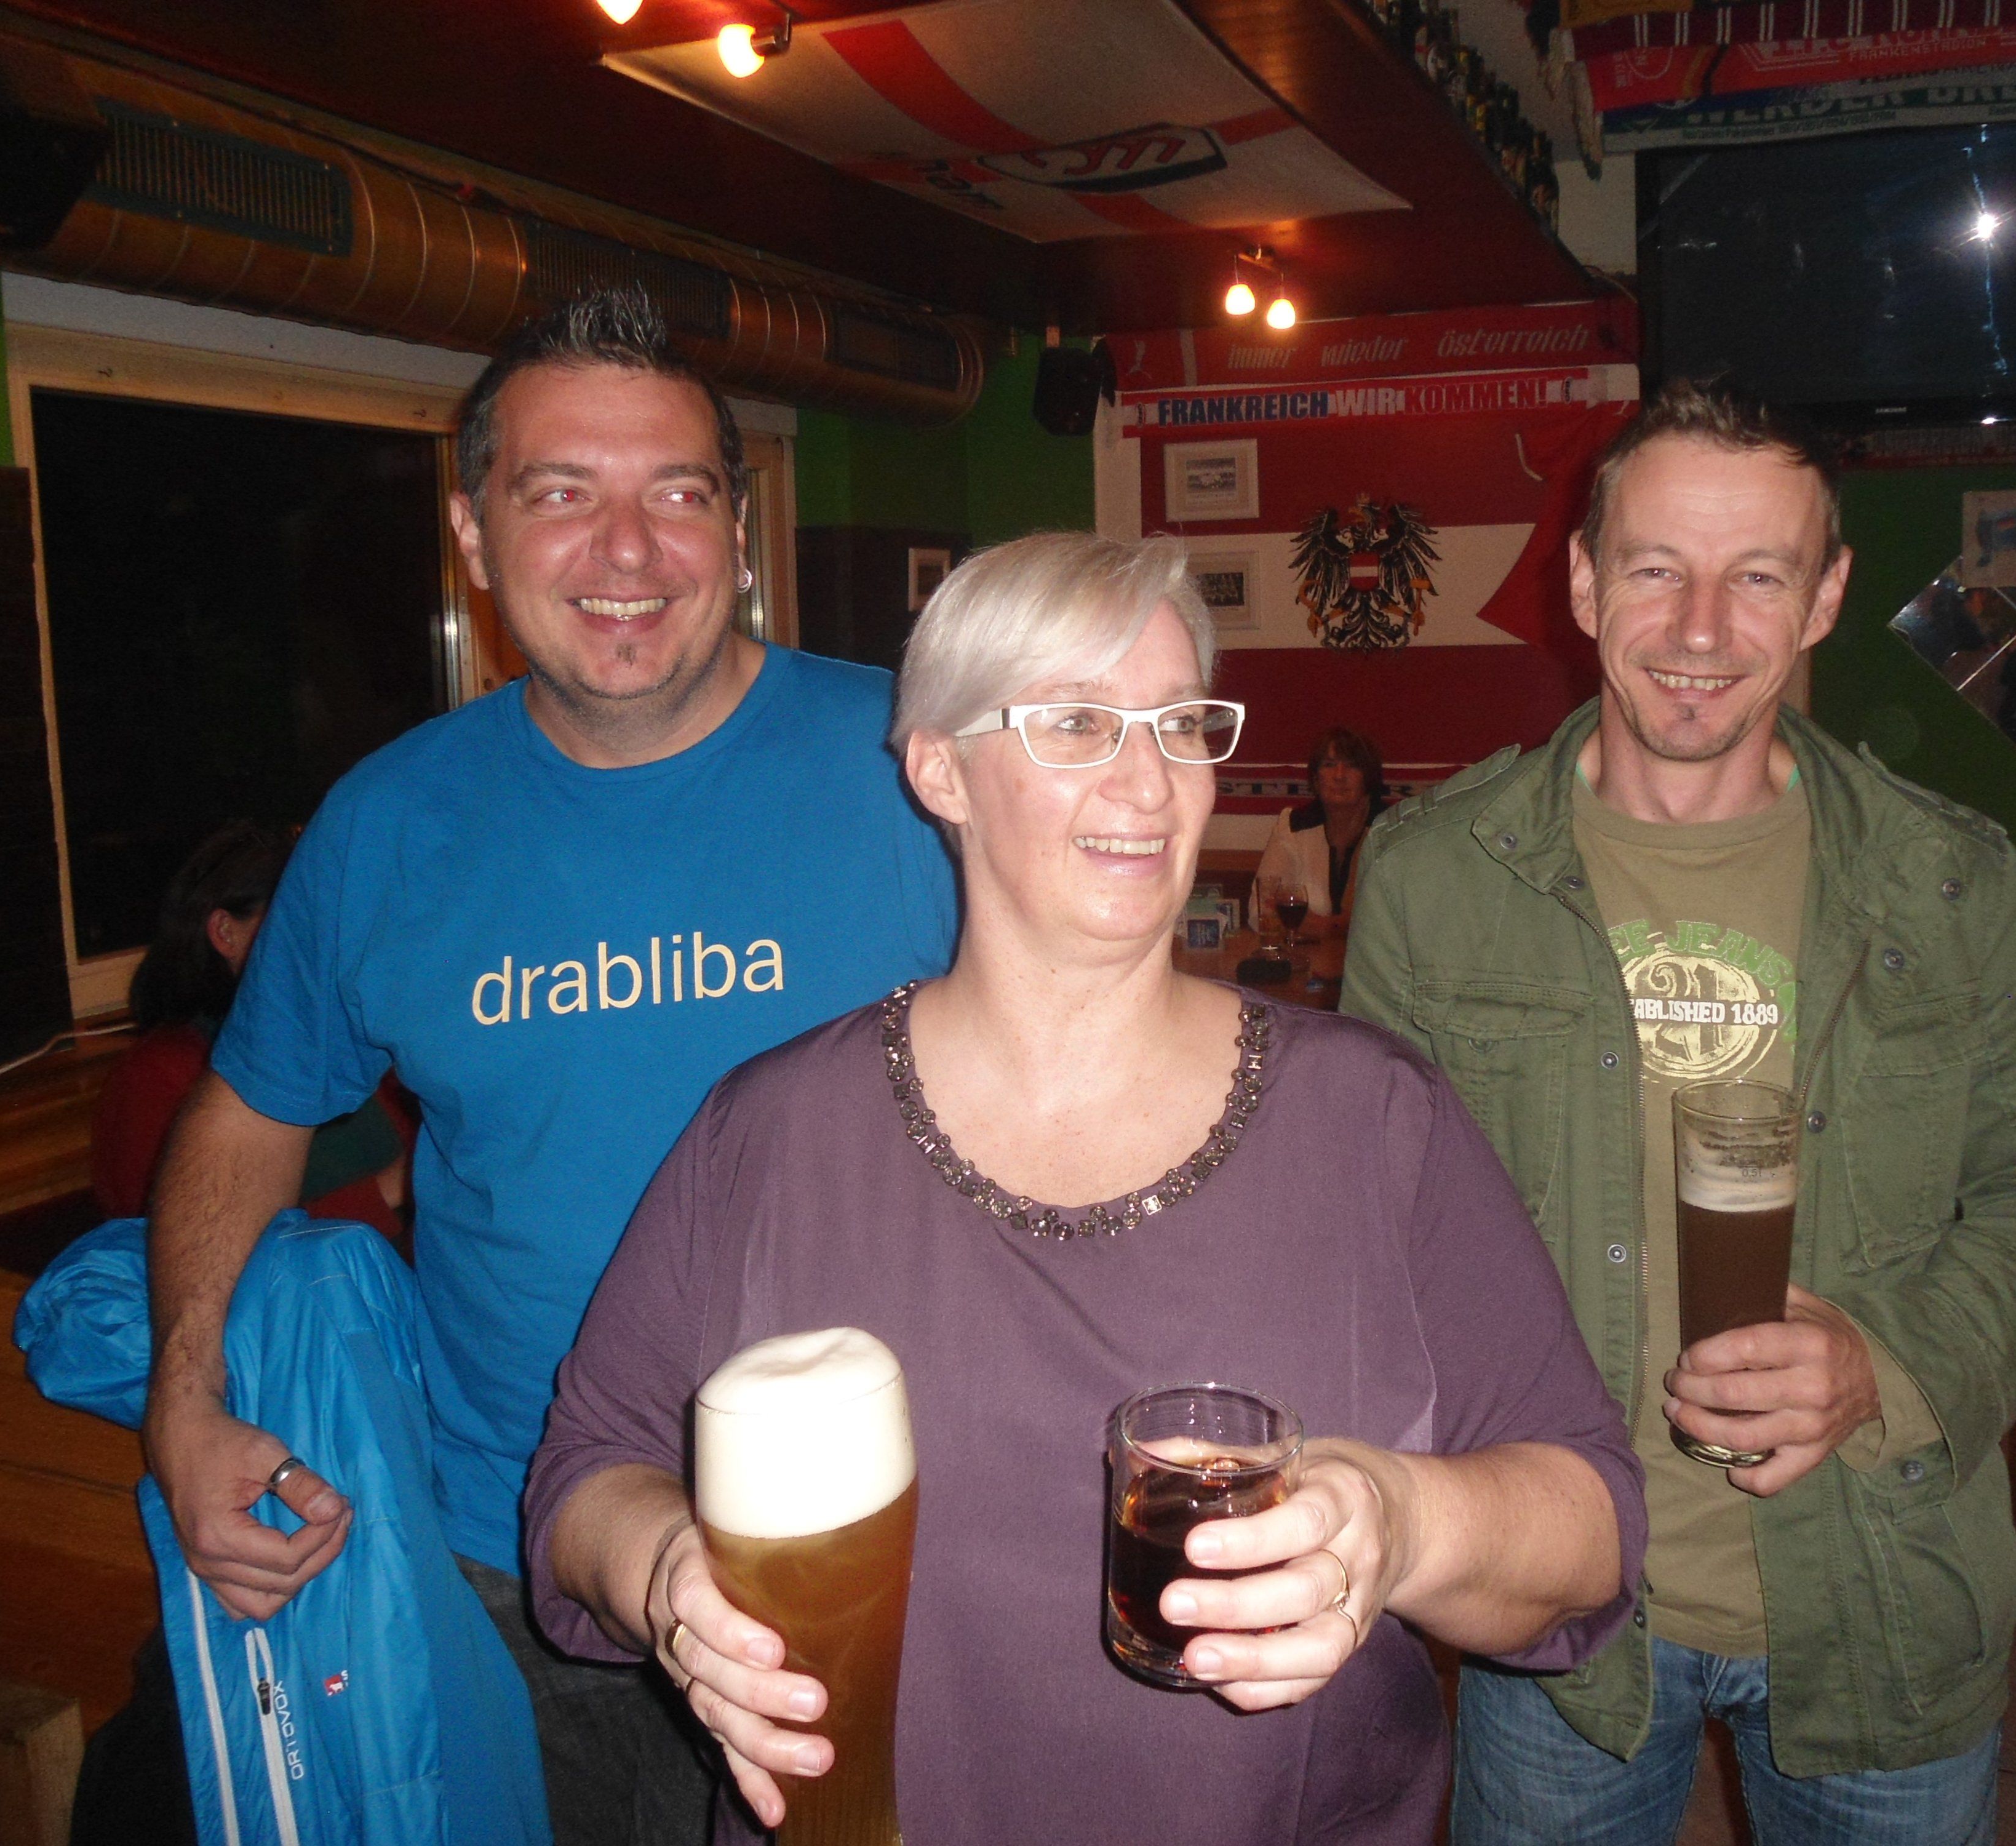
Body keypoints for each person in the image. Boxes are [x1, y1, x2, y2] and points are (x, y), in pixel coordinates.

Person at [522, 531, 1651, 1845]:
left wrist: (1404, 1522)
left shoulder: (1373, 1118)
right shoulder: (769, 1135)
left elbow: (1590, 1527)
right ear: (939, 769)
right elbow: (583, 1481)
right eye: (1075, 723)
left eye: (1180, 724)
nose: (1149, 781)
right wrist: (666, 1575)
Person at [139, 288, 957, 1844]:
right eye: (561, 493)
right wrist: (184, 1399)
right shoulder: (385, 825)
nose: (627, 551)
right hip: (518, 1561)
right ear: (473, 532)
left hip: (870, 1542)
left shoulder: (917, 772)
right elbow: (245, 1114)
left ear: (737, 529)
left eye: (677, 493)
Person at [1342, 377, 2016, 1844]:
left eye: (1757, 576)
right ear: (1583, 583)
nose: (1700, 630)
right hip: (1564, 1615)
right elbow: (1370, 1236)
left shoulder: (1947, 880)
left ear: (1824, 596)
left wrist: (1883, 1361)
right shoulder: (1430, 876)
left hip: (1883, 1600)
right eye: (1655, 568)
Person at [90, 820, 408, 1241]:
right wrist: (389, 1190)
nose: (323, 946)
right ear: (226, 933)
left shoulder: (339, 1035)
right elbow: (168, 1251)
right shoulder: (157, 1076)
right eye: (297, 925)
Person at [1254, 725, 1392, 946]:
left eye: (1352, 766)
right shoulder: (1294, 825)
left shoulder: (1392, 828)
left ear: (1369, 776)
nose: (1339, 776)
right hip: (1306, 959)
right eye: (1329, 765)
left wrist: (1321, 927)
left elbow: (1395, 920)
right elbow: (1260, 910)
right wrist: (1341, 928)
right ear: (1316, 778)